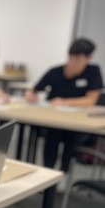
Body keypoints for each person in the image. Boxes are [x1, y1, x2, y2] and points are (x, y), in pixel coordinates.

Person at [25, 38, 103, 173]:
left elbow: (91, 100)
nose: (73, 63)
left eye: (78, 59)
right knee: (53, 133)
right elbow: (33, 90)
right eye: (71, 58)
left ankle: (65, 171)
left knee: (72, 135)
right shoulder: (55, 72)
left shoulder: (93, 72)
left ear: (88, 58)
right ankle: (48, 171)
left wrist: (64, 101)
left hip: (78, 121)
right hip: (54, 119)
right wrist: (31, 95)